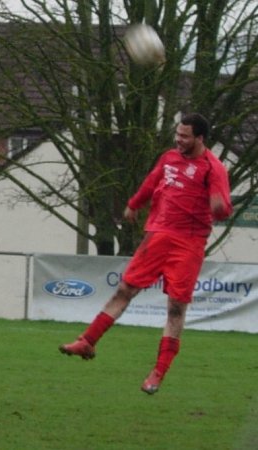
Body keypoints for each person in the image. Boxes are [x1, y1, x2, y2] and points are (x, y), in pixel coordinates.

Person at [59, 113, 232, 395]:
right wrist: (134, 203)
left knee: (176, 307)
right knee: (124, 289)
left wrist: (219, 207)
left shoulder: (214, 169)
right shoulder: (168, 158)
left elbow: (223, 207)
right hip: (158, 235)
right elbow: (152, 182)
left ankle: (158, 372)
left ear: (200, 138)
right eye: (178, 133)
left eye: (185, 136)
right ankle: (87, 341)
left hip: (188, 243)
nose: (178, 139)